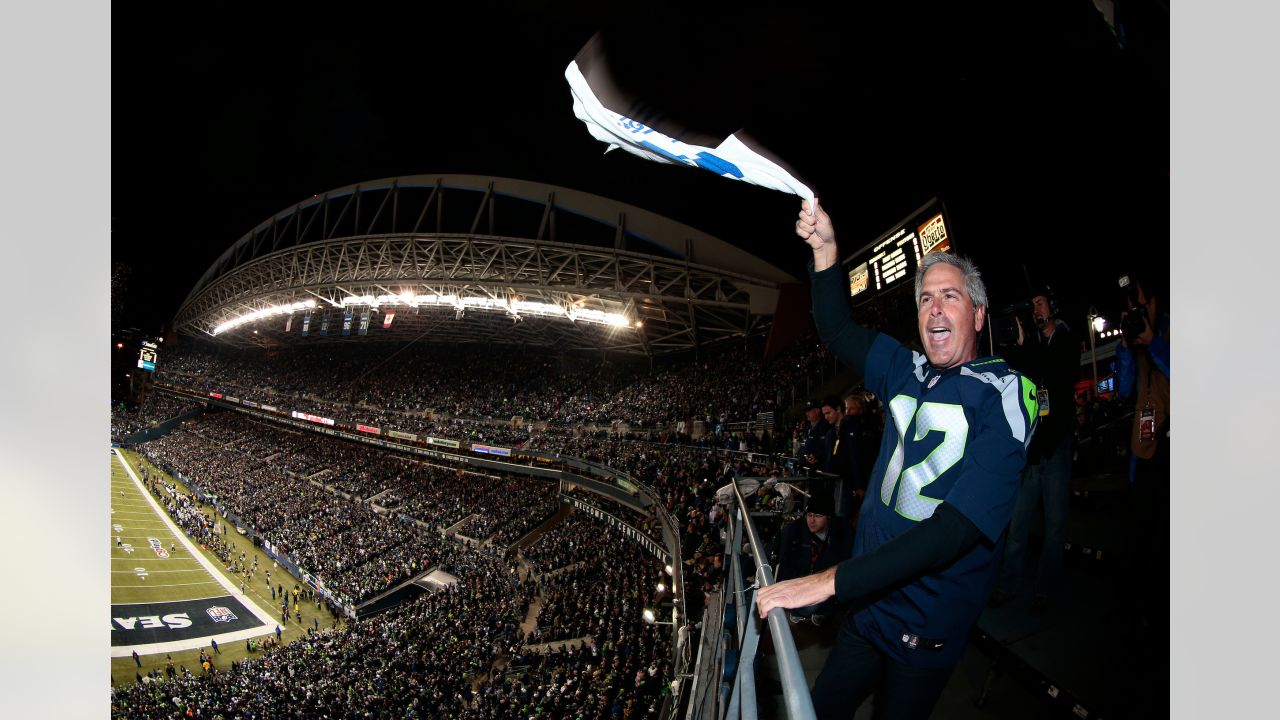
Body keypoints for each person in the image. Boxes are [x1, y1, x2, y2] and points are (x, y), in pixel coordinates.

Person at [756, 199, 1036, 720]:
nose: (934, 308)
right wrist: (826, 252)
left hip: (924, 621)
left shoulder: (1008, 394)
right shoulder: (906, 369)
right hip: (868, 608)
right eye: (926, 297)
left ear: (977, 313)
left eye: (949, 296)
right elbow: (837, 330)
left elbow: (955, 529)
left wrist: (831, 580)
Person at [990, 285, 1079, 611]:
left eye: (1039, 304)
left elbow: (1055, 374)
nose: (1035, 310)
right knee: (1018, 522)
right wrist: (1016, 343)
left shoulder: (1066, 340)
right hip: (1033, 449)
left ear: (1052, 305)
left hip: (1056, 446)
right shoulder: (1033, 345)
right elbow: (1018, 373)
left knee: (1055, 525)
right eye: (1032, 306)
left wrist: (1027, 346)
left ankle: (1045, 588)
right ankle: (1008, 583)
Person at [774, 493, 853, 625]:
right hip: (801, 580)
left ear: (829, 517)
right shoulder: (794, 531)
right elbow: (784, 564)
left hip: (827, 582)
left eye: (817, 516)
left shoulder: (843, 532)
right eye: (809, 515)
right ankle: (801, 610)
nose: (812, 520)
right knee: (807, 607)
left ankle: (825, 610)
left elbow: (845, 563)